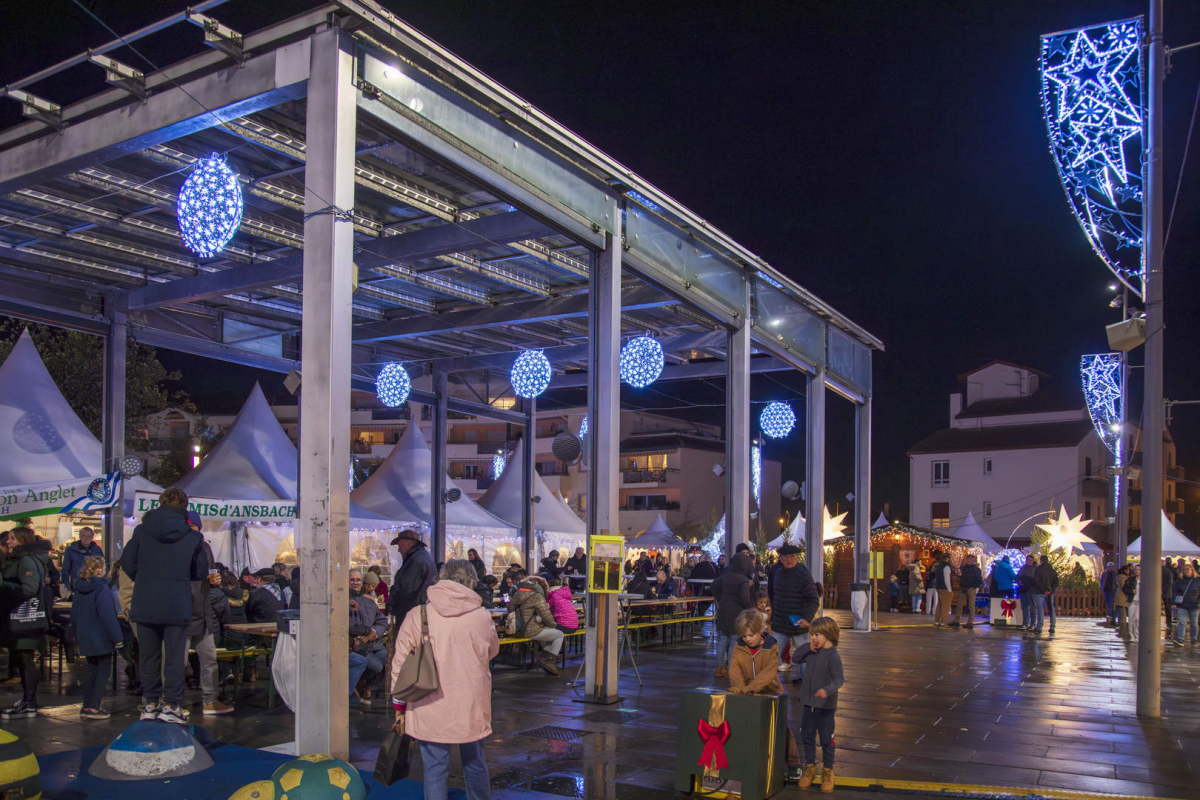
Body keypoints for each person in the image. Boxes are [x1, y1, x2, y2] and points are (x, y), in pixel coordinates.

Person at [391, 559, 498, 800]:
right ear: (471, 580)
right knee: (475, 761)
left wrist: (399, 703)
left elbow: (400, 662)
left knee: (435, 767)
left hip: (428, 700)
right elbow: (492, 651)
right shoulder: (481, 616)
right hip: (471, 701)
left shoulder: (418, 614)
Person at [121, 488, 209, 724]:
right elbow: (200, 572)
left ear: (159, 504)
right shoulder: (192, 537)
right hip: (176, 602)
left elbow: (127, 563)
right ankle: (171, 706)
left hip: (146, 599)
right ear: (185, 507)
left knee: (148, 656)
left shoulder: (141, 531)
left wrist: (146, 579)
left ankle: (150, 704)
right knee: (174, 658)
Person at [727, 608, 804, 780]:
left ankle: (793, 763)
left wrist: (749, 688)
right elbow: (734, 669)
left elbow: (769, 672)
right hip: (745, 691)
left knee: (780, 726)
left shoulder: (772, 645)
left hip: (770, 691)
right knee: (745, 725)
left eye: (751, 635)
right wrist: (740, 688)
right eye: (744, 636)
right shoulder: (739, 645)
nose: (747, 639)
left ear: (760, 631)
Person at [0, 527, 53, 719]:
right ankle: (27, 702)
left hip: (25, 620)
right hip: (25, 620)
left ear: (21, 540)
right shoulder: (27, 559)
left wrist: (3, 585)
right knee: (23, 660)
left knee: (26, 660)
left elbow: (30, 589)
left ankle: (29, 703)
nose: (8, 541)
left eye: (12, 538)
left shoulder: (26, 561)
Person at [792, 616, 845, 793]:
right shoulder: (811, 650)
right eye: (812, 634)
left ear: (829, 635)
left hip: (825, 706)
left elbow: (839, 678)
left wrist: (827, 690)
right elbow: (796, 658)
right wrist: (808, 647)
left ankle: (828, 770)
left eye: (818, 635)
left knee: (826, 739)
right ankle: (809, 767)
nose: (814, 638)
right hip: (809, 703)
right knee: (807, 735)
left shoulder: (833, 655)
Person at [69, 556, 122, 719]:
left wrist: (76, 634)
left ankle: (86, 706)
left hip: (85, 635)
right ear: (99, 570)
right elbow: (107, 616)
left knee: (91, 671)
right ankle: (94, 707)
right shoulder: (102, 589)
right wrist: (117, 637)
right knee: (102, 672)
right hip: (101, 635)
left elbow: (75, 613)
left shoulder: (79, 588)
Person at [767, 544, 820, 682]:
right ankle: (767, 683)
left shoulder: (803, 574)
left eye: (793, 556)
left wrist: (806, 619)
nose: (789, 559)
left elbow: (814, 599)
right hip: (779, 622)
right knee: (771, 655)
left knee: (806, 656)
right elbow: (772, 594)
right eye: (785, 556)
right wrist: (773, 614)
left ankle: (807, 683)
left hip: (799, 623)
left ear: (797, 557)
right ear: (780, 558)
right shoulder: (775, 572)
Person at [189, 560, 233, 715]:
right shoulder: (178, 546)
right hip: (184, 615)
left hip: (203, 617)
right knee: (177, 662)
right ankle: (171, 702)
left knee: (210, 660)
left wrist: (214, 581)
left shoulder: (203, 547)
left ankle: (211, 701)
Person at [509, 571, 562, 675]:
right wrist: (555, 625)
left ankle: (545, 658)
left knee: (548, 637)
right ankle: (550, 662)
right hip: (529, 630)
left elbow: (510, 609)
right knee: (559, 634)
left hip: (515, 628)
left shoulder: (518, 593)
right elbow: (546, 615)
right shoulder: (537, 596)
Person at [711, 551, 754, 678]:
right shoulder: (744, 580)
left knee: (723, 639)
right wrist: (750, 607)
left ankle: (719, 667)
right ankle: (731, 667)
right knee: (735, 640)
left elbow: (713, 586)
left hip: (724, 609)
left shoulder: (726, 576)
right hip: (736, 612)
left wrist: (721, 598)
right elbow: (744, 599)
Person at [387, 529, 438, 628]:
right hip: (417, 615)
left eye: (399, 545)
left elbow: (406, 590)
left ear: (407, 542)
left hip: (412, 617)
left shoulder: (416, 561)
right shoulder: (419, 558)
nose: (398, 550)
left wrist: (392, 603)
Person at [348, 569, 388, 694]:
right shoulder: (343, 601)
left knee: (392, 661)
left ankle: (366, 686)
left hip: (375, 643)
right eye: (352, 580)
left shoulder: (369, 602)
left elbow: (382, 621)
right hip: (358, 646)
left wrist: (375, 632)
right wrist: (365, 633)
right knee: (377, 666)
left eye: (358, 580)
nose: (355, 582)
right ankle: (360, 684)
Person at [61, 526, 103, 595]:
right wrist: (67, 587)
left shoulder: (97, 550)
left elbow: (102, 567)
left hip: (94, 586)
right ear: (80, 536)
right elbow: (65, 570)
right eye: (84, 536)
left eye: (88, 536)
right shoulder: (71, 550)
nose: (86, 538)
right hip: (76, 587)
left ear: (92, 537)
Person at [1171, 562, 1199, 646]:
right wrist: (1174, 603)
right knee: (1182, 622)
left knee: (1194, 624)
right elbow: (1175, 591)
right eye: (1184, 569)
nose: (1186, 571)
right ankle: (1180, 640)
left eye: (1188, 569)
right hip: (1182, 605)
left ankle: (1193, 640)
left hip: (1194, 605)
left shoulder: (1197, 580)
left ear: (1192, 570)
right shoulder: (1180, 580)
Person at [951, 554, 983, 628]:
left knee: (971, 605)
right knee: (959, 604)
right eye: (967, 559)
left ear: (973, 560)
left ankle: (970, 621)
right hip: (964, 587)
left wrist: (974, 587)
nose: (968, 561)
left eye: (970, 559)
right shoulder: (965, 567)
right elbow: (964, 577)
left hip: (971, 588)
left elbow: (979, 580)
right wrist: (961, 579)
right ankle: (956, 620)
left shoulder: (976, 569)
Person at [1033, 555, 1059, 634]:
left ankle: (1039, 627)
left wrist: (1043, 590)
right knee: (1051, 609)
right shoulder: (1052, 571)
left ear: (1041, 560)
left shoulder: (1038, 569)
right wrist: (1050, 590)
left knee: (1040, 610)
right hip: (1049, 593)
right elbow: (1056, 582)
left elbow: (1036, 581)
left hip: (1040, 592)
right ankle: (1052, 626)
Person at [929, 551, 952, 628]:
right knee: (945, 606)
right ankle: (943, 623)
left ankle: (936, 622)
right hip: (945, 588)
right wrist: (950, 590)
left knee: (939, 605)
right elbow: (947, 579)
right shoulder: (946, 567)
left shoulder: (938, 566)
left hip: (938, 587)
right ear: (948, 558)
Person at [1017, 557, 1039, 631]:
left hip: (1031, 590)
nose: (1029, 562)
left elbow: (1037, 580)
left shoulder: (1035, 569)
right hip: (1023, 589)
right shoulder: (1023, 568)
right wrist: (1019, 581)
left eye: (1030, 560)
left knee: (1032, 607)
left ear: (1033, 561)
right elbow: (1017, 576)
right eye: (1028, 560)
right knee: (1024, 607)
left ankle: (1032, 624)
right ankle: (1025, 623)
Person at [1113, 565, 1132, 638]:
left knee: (1118, 607)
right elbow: (1124, 586)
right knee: (1122, 607)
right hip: (1122, 595)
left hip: (1120, 595)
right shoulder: (1123, 577)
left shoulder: (1119, 576)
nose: (1129, 571)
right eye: (1128, 569)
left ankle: (1113, 619)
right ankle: (1116, 620)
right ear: (1125, 570)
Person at [1126, 564, 1142, 642]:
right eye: (1135, 569)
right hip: (1132, 601)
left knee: (1138, 619)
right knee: (1131, 619)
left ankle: (1137, 634)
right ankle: (1132, 635)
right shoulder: (1131, 580)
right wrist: (1131, 591)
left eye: (1138, 569)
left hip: (1140, 602)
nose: (1137, 571)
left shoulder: (1145, 580)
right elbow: (1125, 588)